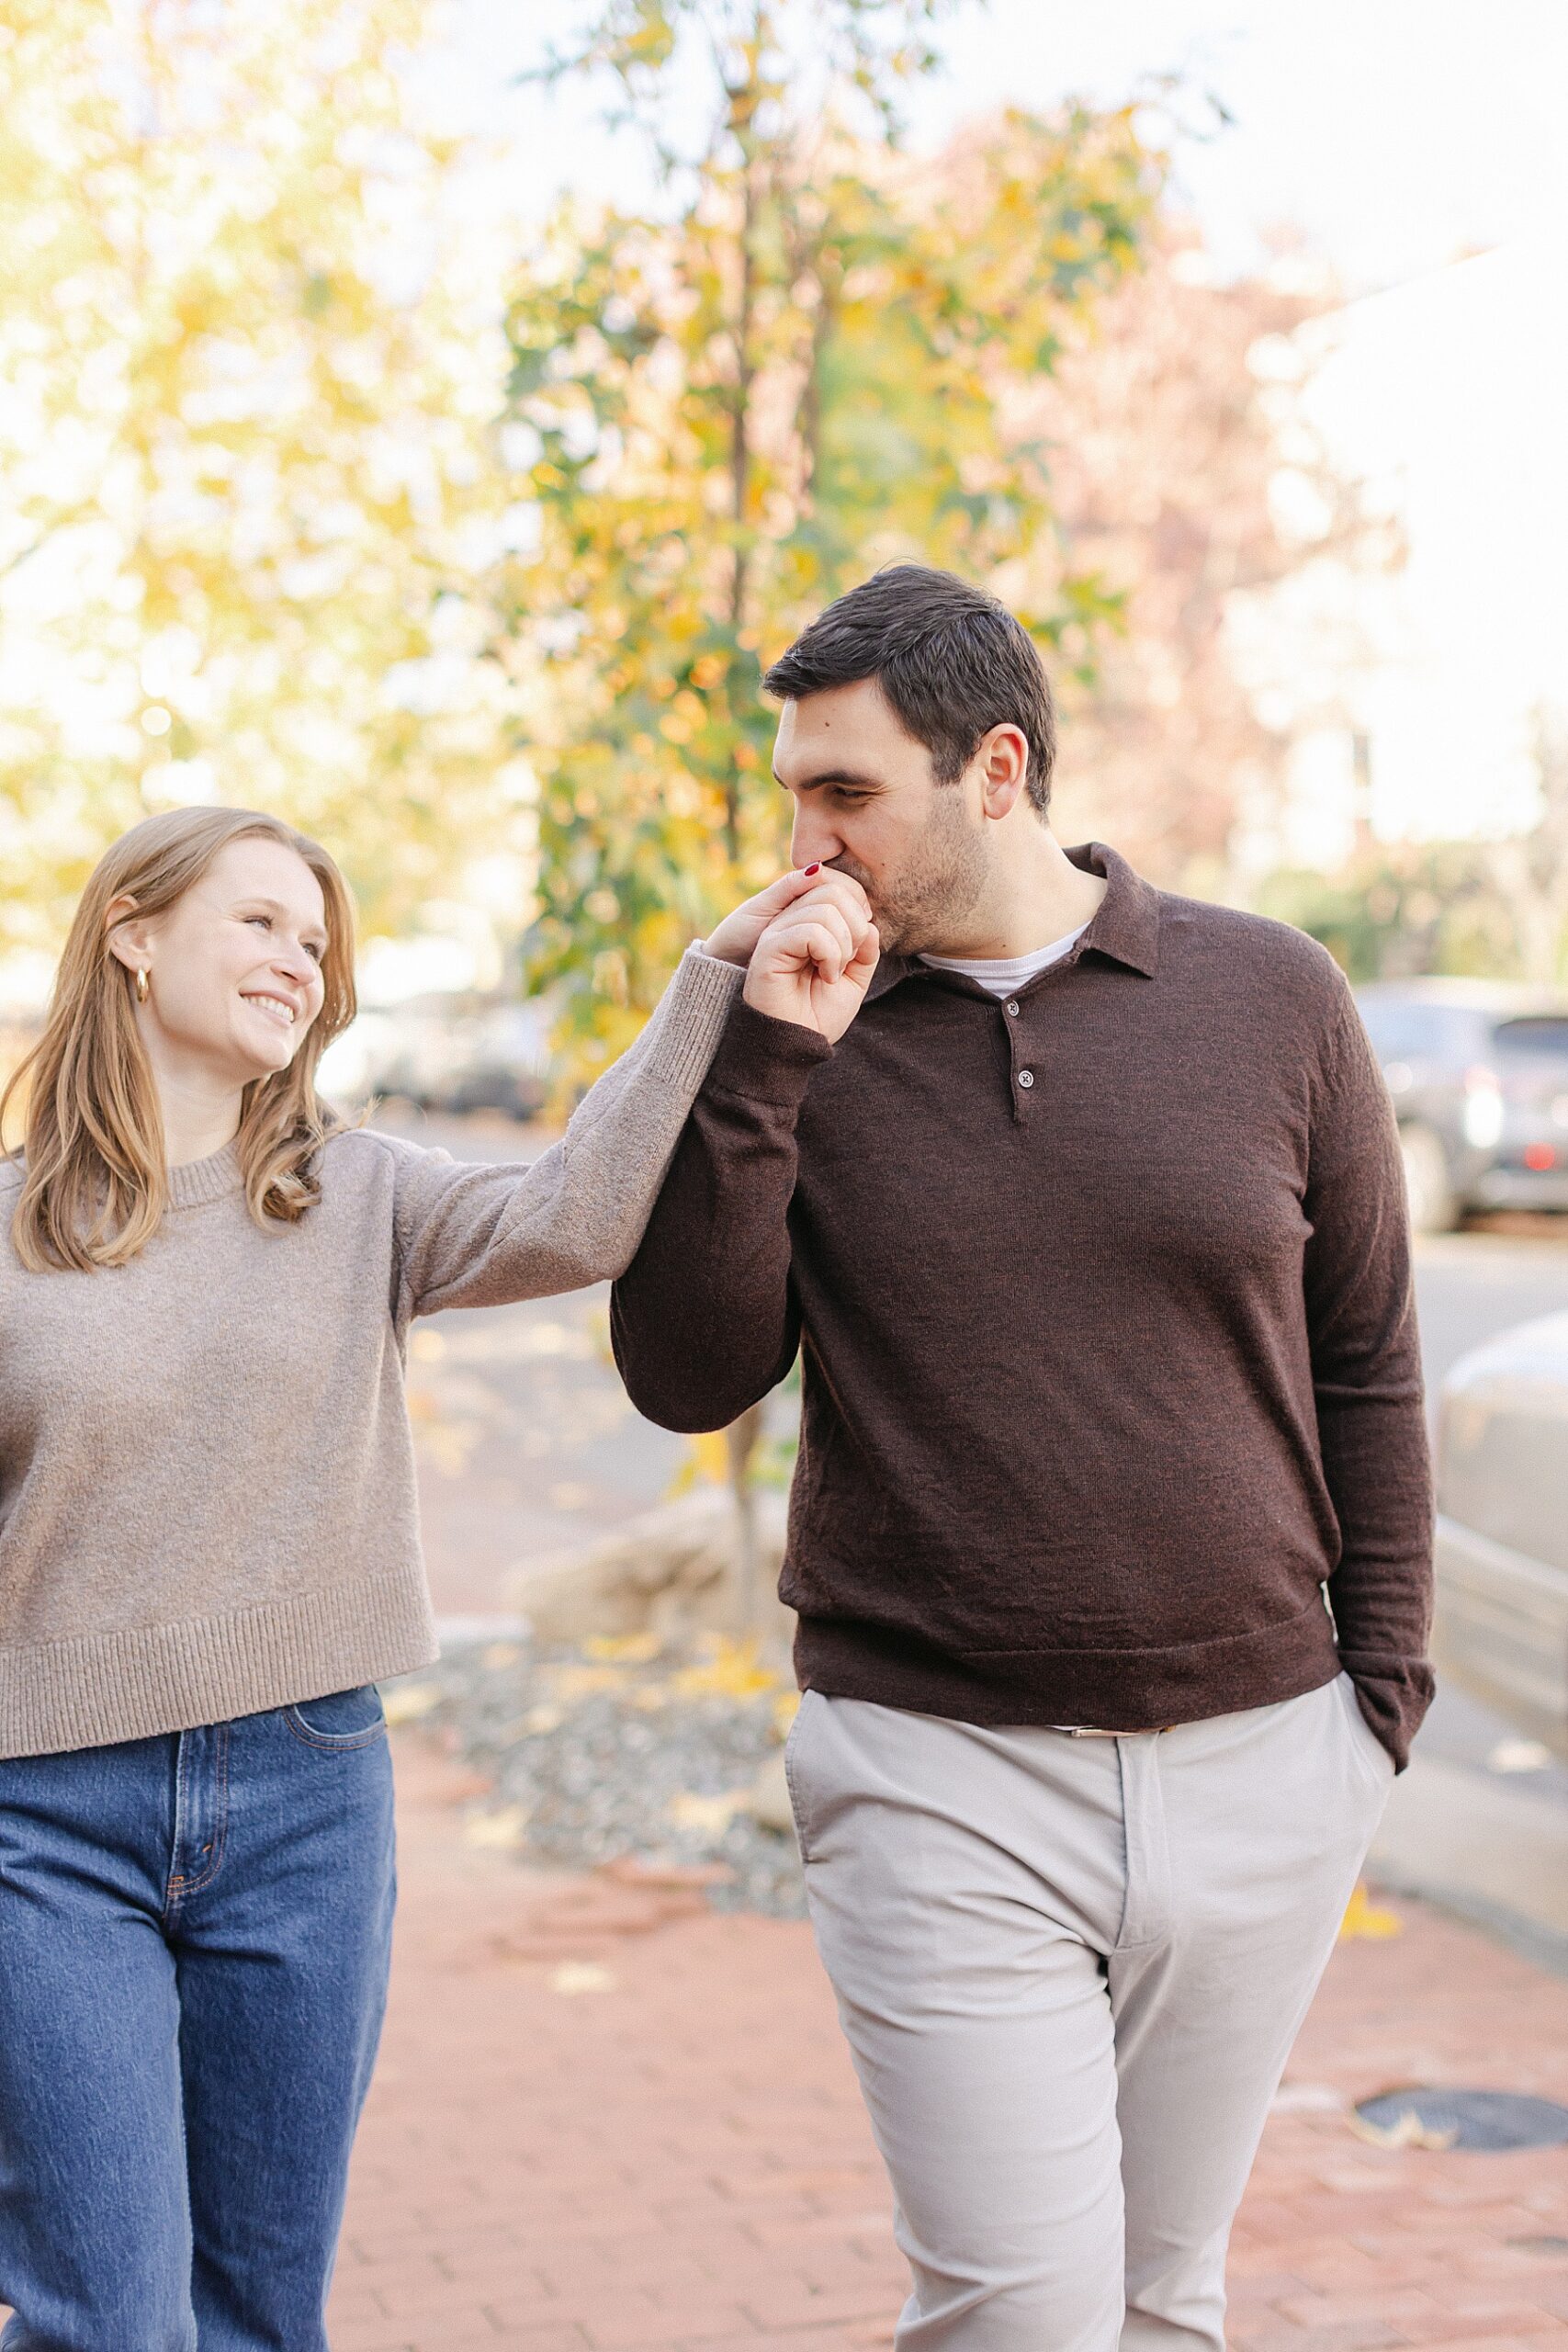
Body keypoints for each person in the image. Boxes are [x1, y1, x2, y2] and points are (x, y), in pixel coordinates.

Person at [612, 564, 1434, 2352]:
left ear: (993, 769)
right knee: (1016, 2312)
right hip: (933, 1771)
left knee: (1156, 2302)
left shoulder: (1268, 995)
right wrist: (762, 1065)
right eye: (794, 796)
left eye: (846, 793)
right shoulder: (789, 1018)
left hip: (1260, 1760)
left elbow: (1365, 1359)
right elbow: (685, 1374)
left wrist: (1371, 1705)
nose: (806, 842)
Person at [0, 804, 872, 2352]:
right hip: (44, 1823)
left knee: (263, 2310)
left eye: (315, 942)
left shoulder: (353, 1196)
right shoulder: (8, 1228)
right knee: (108, 2320)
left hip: (305, 1798)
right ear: (132, 931)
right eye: (261, 920)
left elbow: (580, 1217)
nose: (298, 960)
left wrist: (708, 980)